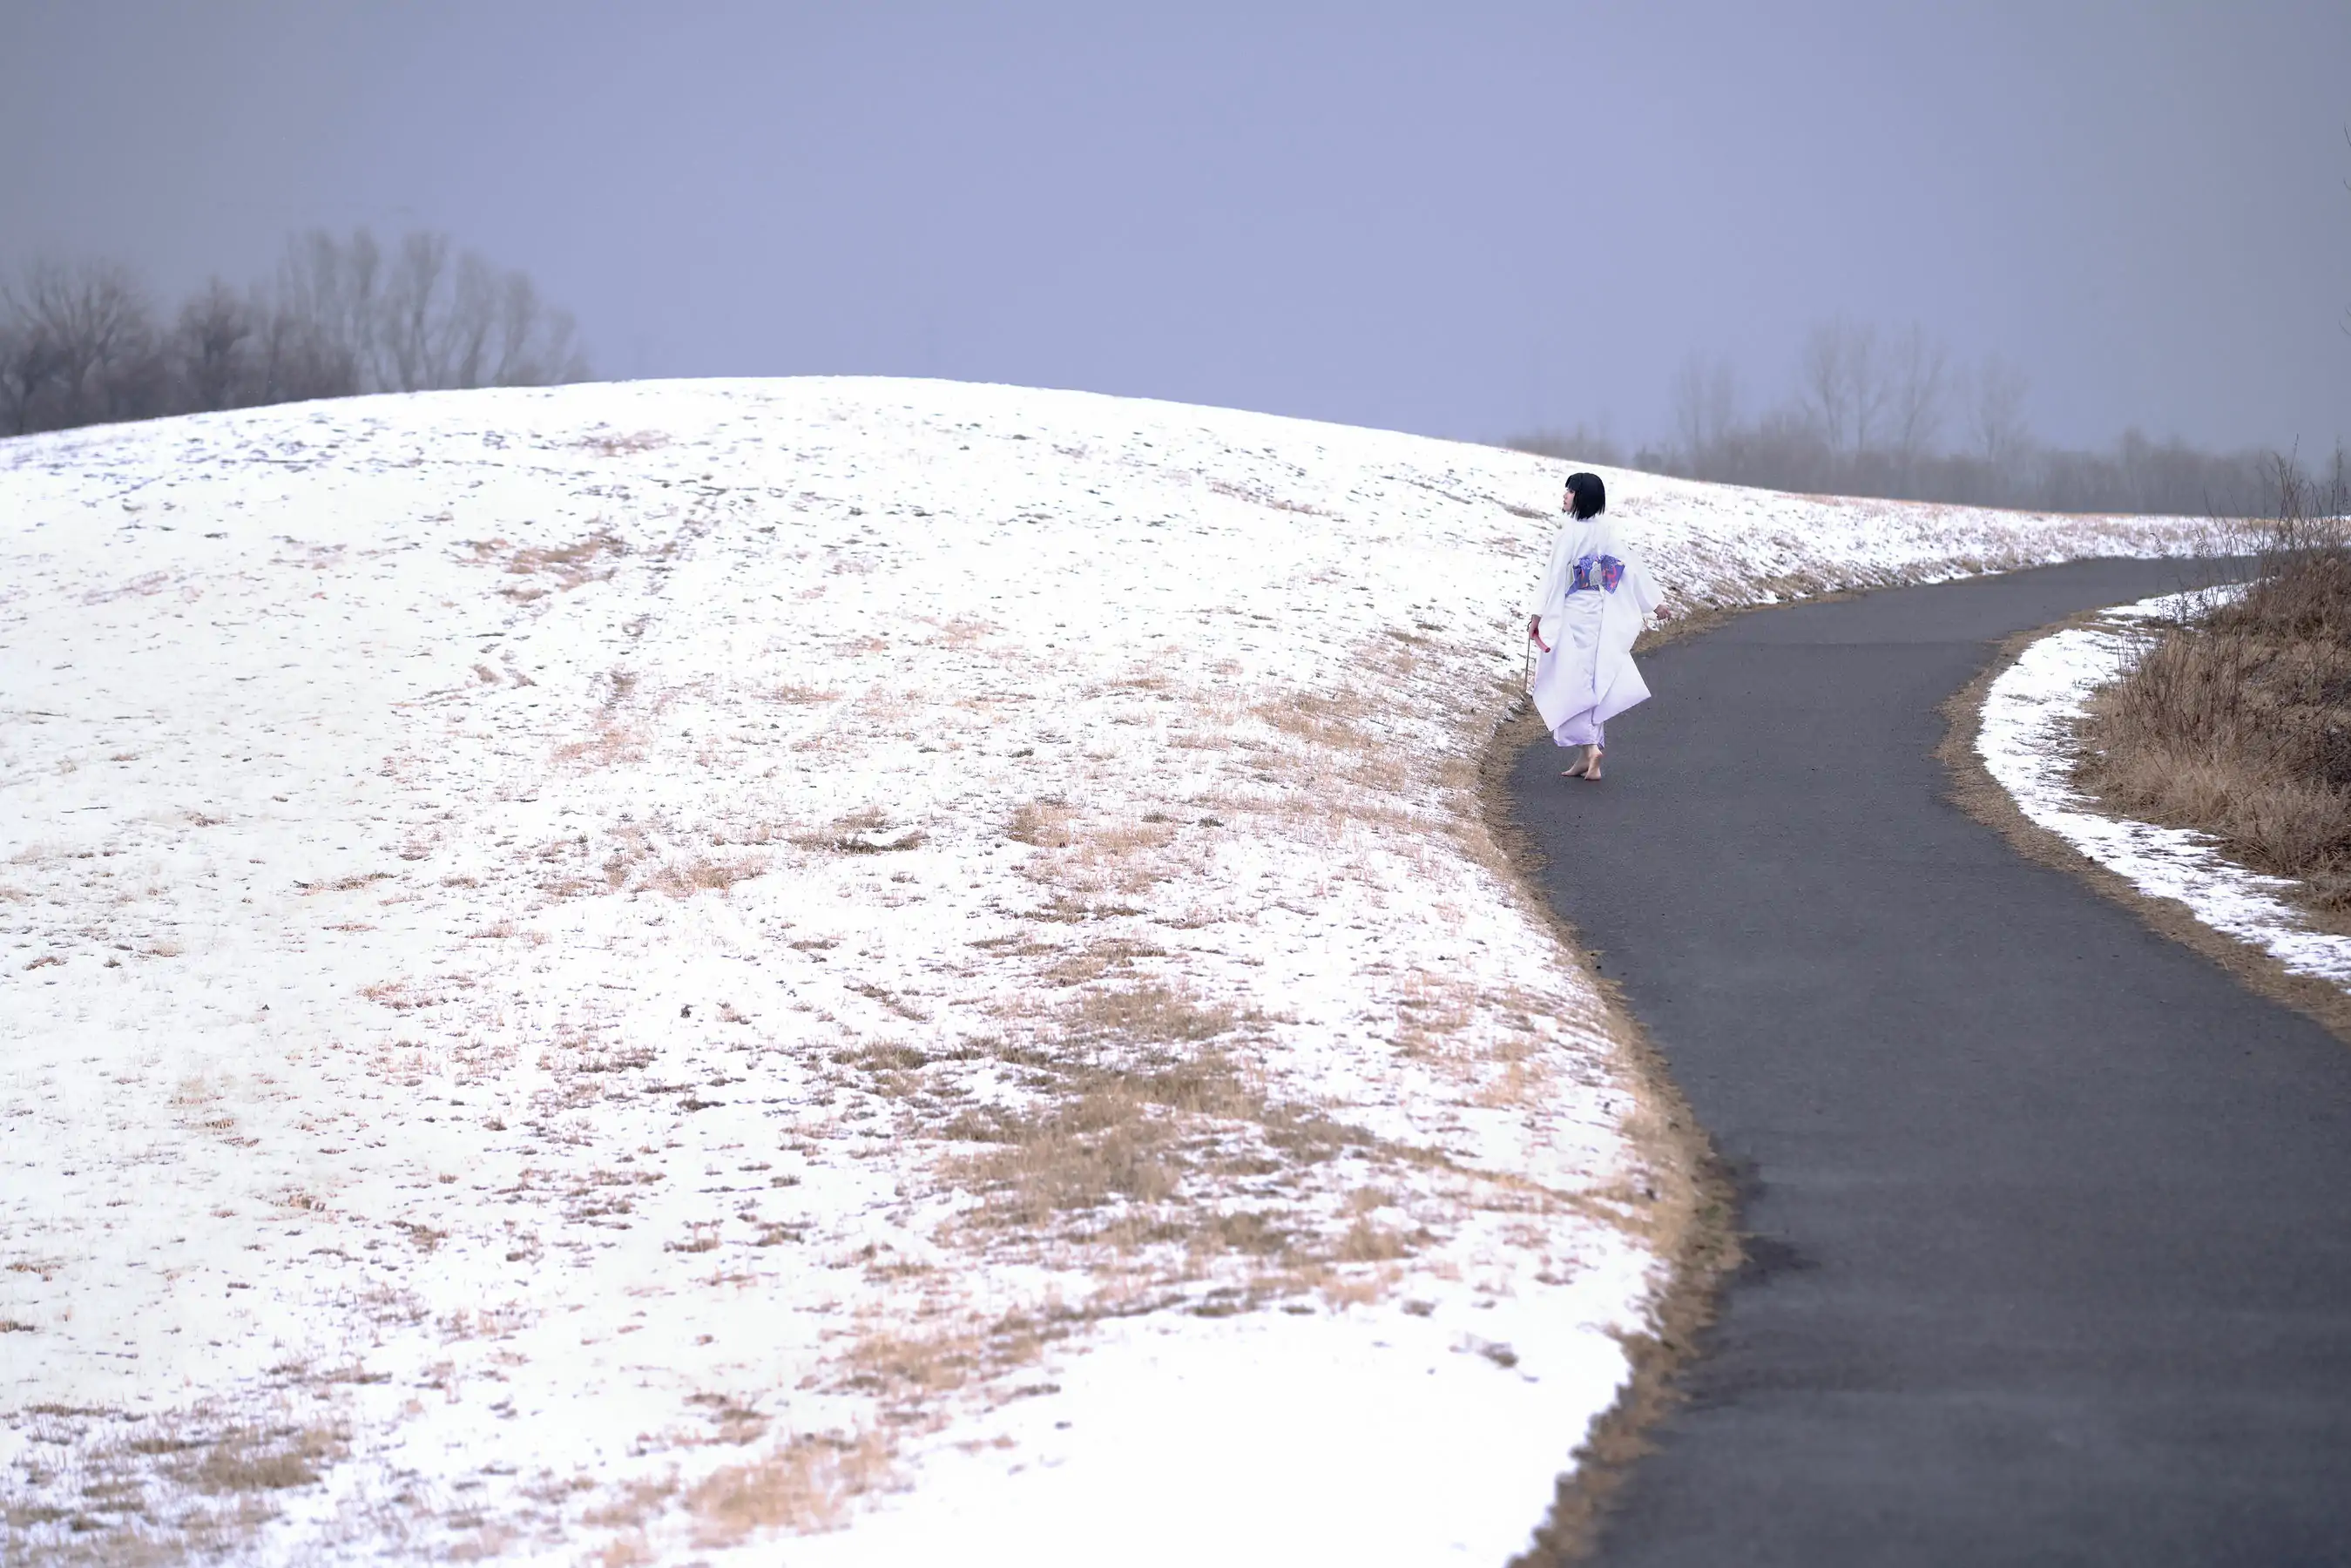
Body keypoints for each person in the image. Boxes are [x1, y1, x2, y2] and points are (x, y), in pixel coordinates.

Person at [1525, 471, 1668, 781]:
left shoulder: (1568, 534)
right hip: (1597, 612)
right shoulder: (1606, 532)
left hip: (1572, 614)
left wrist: (1536, 616)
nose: (1565, 496)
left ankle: (1591, 750)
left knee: (1570, 679)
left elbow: (1552, 578)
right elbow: (1629, 568)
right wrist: (1654, 603)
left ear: (1582, 498)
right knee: (1592, 679)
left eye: (1570, 491)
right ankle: (1586, 755)